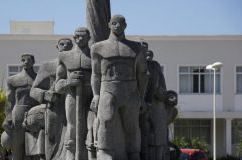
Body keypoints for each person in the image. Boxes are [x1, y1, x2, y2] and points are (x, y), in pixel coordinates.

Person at [90, 14, 148, 160]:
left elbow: (142, 73)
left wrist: (141, 97)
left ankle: (133, 152)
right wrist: (96, 95)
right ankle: (104, 150)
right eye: (114, 23)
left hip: (131, 89)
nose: (117, 26)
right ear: (109, 25)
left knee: (132, 125)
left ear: (125, 26)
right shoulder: (98, 48)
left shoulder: (137, 48)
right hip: (108, 88)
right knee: (106, 120)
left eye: (120, 23)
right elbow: (96, 74)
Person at [29, 38, 73, 160]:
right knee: (53, 142)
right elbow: (33, 90)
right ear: (57, 46)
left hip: (74, 107)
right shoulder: (48, 66)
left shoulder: (76, 64)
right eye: (62, 44)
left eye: (68, 44)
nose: (65, 46)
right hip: (55, 109)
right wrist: (45, 95)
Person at [55, 27, 93, 160]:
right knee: (72, 128)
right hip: (72, 96)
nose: (80, 39)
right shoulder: (64, 56)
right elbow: (57, 86)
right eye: (77, 36)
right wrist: (69, 82)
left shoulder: (95, 55)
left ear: (89, 38)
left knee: (92, 128)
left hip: (91, 97)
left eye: (83, 36)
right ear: (74, 37)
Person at [1, 53, 38, 160]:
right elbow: (9, 101)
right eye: (23, 60)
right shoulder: (13, 80)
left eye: (29, 59)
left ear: (33, 62)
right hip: (18, 115)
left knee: (33, 148)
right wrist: (8, 118)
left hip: (35, 115)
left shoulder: (39, 78)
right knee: (18, 147)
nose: (26, 62)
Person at [144, 50, 168, 160]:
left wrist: (156, 89)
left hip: (155, 104)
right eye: (146, 54)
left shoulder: (156, 67)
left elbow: (163, 92)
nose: (148, 57)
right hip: (140, 103)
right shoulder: (137, 66)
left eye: (150, 55)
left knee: (158, 138)